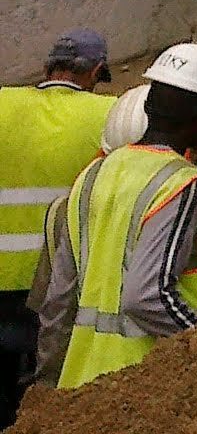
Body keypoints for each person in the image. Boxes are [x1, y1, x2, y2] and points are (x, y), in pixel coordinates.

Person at [31, 43, 197, 392]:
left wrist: (50, 385)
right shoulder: (183, 183)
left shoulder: (93, 175)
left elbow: (60, 296)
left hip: (82, 384)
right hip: (144, 384)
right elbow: (146, 296)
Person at [0, 31, 116, 421]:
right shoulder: (110, 115)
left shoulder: (1, 102)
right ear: (96, 71)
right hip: (59, 277)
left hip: (0, 276)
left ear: (47, 66)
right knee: (48, 384)